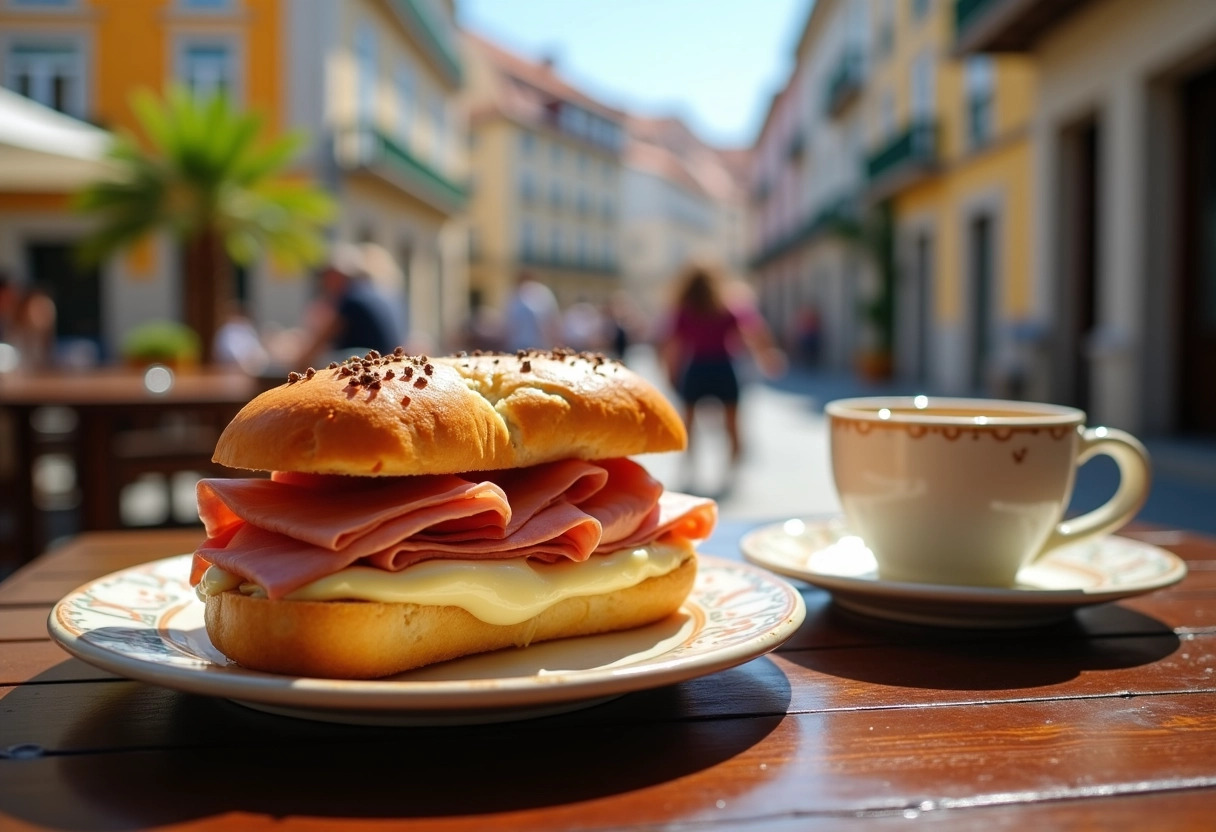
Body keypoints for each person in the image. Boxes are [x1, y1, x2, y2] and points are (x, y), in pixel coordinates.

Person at [658, 261, 785, 484]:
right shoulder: (727, 307)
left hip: (696, 369)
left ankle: (689, 467)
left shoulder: (683, 311)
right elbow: (753, 333)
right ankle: (732, 469)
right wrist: (767, 357)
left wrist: (670, 375)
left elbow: (672, 347)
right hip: (724, 368)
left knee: (687, 424)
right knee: (732, 423)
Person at [299, 242, 407, 366]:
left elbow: (318, 344)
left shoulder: (353, 299)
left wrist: (295, 367)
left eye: (326, 276)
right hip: (390, 365)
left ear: (337, 275)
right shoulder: (387, 293)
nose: (324, 284)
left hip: (367, 367)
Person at [503, 272, 562, 352]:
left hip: (518, 346)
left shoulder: (515, 294)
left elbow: (509, 325)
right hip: (540, 346)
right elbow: (552, 323)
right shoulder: (544, 292)